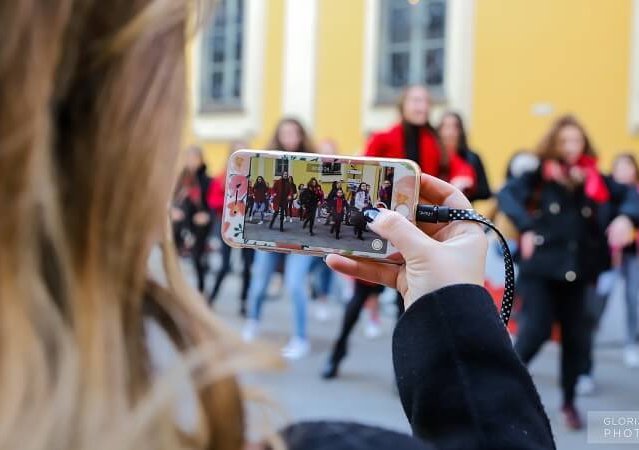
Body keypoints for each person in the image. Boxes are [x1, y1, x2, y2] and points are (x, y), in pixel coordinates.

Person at [498, 115, 639, 429]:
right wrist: (525, 227)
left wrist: (627, 219)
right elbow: (506, 195)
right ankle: (504, 391)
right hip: (541, 271)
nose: (571, 147)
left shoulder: (594, 179)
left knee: (576, 339)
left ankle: (569, 401)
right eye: (565, 141)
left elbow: (631, 196)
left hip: (579, 272)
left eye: (577, 140)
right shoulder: (538, 177)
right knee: (536, 330)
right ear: (554, 144)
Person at [244, 118, 316, 359]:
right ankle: (253, 321)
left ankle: (300, 338)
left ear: (301, 135)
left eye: (294, 132)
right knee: (259, 282)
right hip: (271, 226)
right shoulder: (266, 161)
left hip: (299, 232)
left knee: (295, 285)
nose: (290, 137)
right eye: (285, 132)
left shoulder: (312, 162)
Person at [171, 146, 212, 293]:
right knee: (173, 257)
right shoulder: (179, 179)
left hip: (199, 225)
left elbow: (211, 203)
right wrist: (173, 211)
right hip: (181, 223)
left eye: (195, 159)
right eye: (188, 159)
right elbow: (171, 200)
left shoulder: (206, 180)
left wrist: (206, 215)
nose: (191, 162)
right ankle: (175, 289)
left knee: (197, 258)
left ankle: (200, 289)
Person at [438, 111, 491, 202]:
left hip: (463, 210)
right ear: (439, 130)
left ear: (460, 131)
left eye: (455, 127)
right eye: (446, 127)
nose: (450, 132)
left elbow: (485, 191)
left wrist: (469, 187)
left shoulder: (472, 158)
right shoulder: (434, 157)